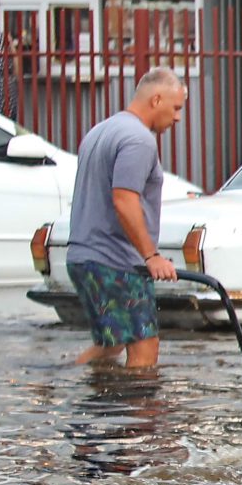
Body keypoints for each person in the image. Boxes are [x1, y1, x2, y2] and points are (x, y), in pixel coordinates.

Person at [68, 67, 187, 370]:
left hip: (85, 257)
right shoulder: (138, 140)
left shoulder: (101, 130)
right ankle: (140, 417)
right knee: (145, 347)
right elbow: (124, 200)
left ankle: (59, 385)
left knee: (112, 344)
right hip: (116, 261)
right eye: (176, 108)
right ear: (156, 99)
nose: (178, 118)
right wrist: (152, 256)